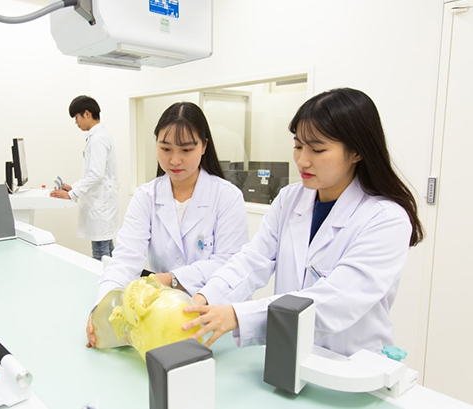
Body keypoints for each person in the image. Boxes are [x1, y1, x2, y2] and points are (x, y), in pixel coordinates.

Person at [183, 88, 424, 357]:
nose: (302, 160)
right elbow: (252, 261)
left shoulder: (385, 218)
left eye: (317, 149)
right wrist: (203, 299)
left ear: (357, 152)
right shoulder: (290, 199)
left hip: (348, 363)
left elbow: (337, 301)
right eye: (298, 146)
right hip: (287, 355)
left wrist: (239, 316)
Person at [86, 102, 249, 348]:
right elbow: (125, 259)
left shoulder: (227, 197)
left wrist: (172, 279)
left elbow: (228, 262)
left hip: (216, 317)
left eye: (186, 149)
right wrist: (102, 309)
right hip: (164, 320)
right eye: (165, 148)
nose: (174, 160)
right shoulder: (146, 196)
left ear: (204, 146)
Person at [51, 95, 120, 260]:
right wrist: (73, 187)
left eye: (76, 117)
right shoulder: (97, 136)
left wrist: (71, 194)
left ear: (87, 114)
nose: (76, 122)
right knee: (107, 251)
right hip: (101, 205)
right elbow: (92, 173)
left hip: (101, 207)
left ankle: (105, 278)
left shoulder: (98, 139)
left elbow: (96, 174)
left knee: (101, 254)